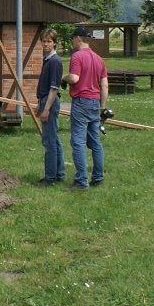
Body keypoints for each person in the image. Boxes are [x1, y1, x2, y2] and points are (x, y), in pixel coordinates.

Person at [65, 25, 107, 190]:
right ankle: (98, 177)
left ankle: (81, 181)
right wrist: (102, 108)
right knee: (95, 141)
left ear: (77, 38)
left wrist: (64, 77)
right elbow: (104, 85)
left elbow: (74, 78)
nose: (72, 41)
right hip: (95, 103)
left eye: (72, 39)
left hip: (81, 102)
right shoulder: (99, 59)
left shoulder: (77, 57)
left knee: (78, 142)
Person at [34, 28, 65, 185]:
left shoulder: (54, 61)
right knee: (55, 139)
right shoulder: (46, 59)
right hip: (45, 101)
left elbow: (54, 88)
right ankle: (59, 173)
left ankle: (50, 177)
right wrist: (40, 104)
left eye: (49, 41)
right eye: (44, 41)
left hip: (50, 102)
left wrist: (46, 109)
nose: (46, 44)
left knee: (49, 141)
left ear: (54, 43)